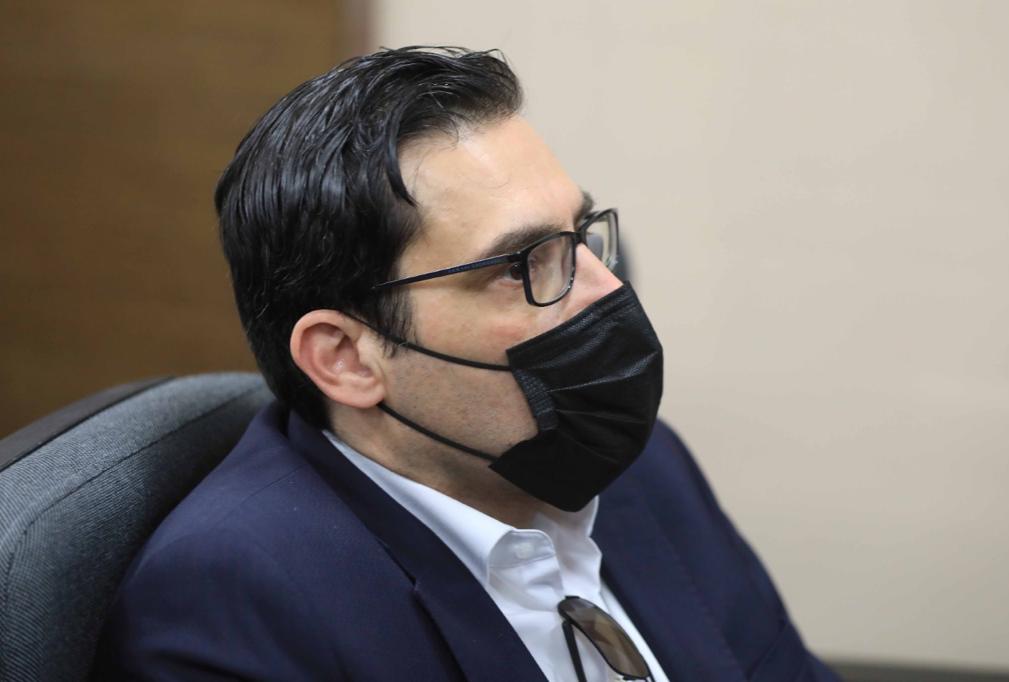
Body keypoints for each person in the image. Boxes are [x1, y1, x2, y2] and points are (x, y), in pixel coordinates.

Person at [95, 46, 838, 681]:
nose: (609, 290)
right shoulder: (236, 602)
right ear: (347, 358)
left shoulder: (643, 466)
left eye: (580, 234)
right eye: (521, 265)